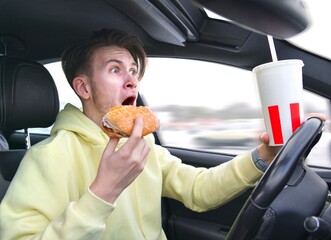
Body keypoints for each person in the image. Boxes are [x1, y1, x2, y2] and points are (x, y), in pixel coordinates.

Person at [0, 29, 293, 239]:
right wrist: (103, 191)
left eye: (133, 71)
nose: (132, 81)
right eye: (115, 70)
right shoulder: (50, 156)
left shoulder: (142, 145)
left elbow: (198, 190)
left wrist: (263, 156)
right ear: (84, 88)